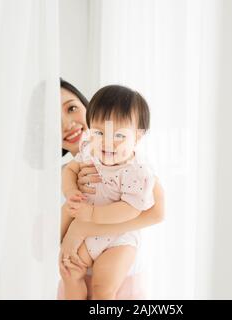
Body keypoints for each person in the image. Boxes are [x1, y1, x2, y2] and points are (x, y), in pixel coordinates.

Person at [59, 79, 165, 299]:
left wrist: (86, 222)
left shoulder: (137, 170)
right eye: (99, 133)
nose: (108, 143)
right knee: (71, 274)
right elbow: (69, 171)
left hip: (119, 243)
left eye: (71, 108)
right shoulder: (87, 155)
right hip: (85, 250)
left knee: (103, 290)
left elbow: (150, 212)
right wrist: (70, 192)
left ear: (137, 136)